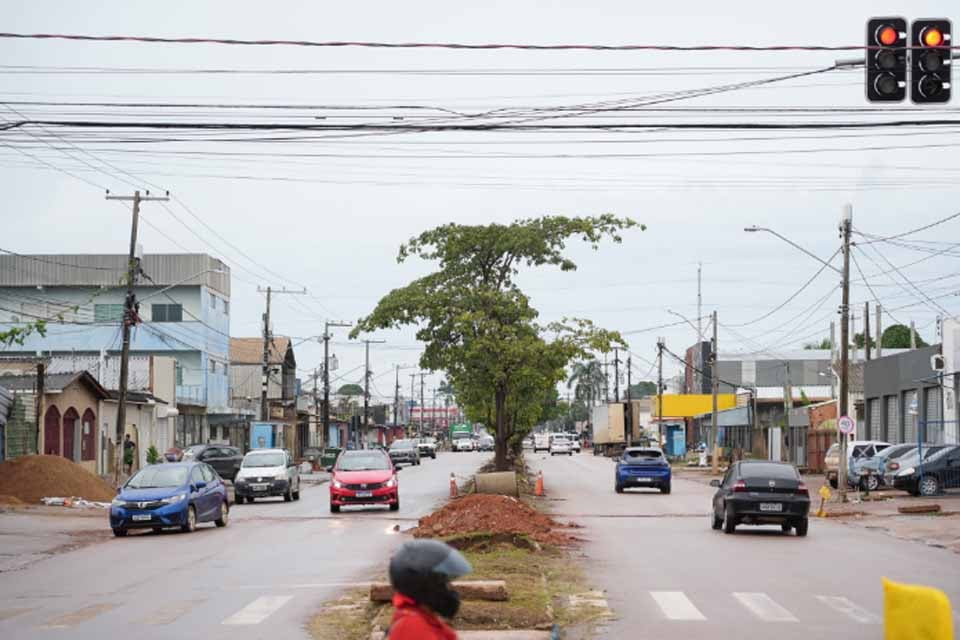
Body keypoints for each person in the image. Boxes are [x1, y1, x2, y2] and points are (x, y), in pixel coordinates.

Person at [386, 539, 472, 640]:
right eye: (444, 583)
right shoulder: (413, 628)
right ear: (426, 585)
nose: (450, 588)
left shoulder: (425, 619)